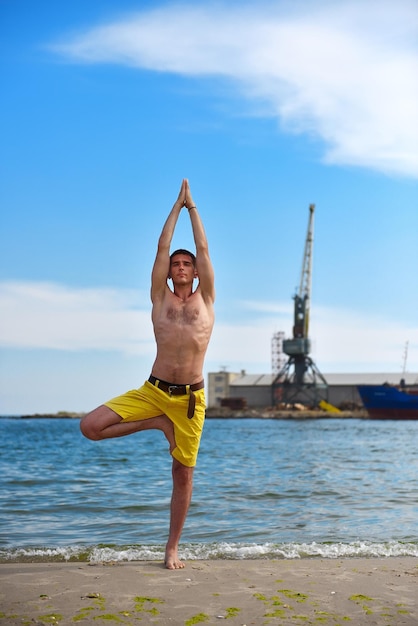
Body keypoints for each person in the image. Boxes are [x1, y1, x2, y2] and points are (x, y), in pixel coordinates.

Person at [80, 178, 215, 570]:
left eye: (186, 263)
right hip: (153, 391)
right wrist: (175, 206)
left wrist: (193, 208)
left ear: (197, 272)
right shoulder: (160, 297)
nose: (181, 266)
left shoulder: (207, 298)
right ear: (169, 273)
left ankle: (172, 548)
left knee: (183, 475)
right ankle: (156, 422)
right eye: (176, 264)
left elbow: (204, 247)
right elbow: (161, 246)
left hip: (191, 399)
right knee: (90, 426)